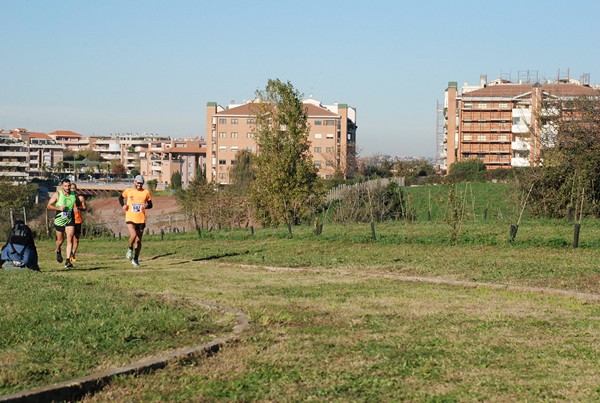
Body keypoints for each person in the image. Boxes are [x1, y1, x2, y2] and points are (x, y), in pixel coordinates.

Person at [119, 175, 152, 268]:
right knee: (133, 235)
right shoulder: (129, 191)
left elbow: (151, 204)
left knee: (138, 240)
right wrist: (123, 205)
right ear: (134, 182)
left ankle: (136, 259)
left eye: (141, 183)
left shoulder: (146, 192)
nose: (139, 185)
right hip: (130, 217)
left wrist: (147, 206)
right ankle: (129, 250)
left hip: (141, 219)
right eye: (138, 183)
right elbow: (120, 198)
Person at [47, 178, 76, 268]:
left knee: (70, 239)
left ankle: (68, 260)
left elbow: (76, 203)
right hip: (59, 220)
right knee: (60, 240)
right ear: (62, 186)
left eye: (68, 186)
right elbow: (48, 206)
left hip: (69, 219)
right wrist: (58, 208)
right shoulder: (57, 194)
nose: (67, 188)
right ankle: (58, 250)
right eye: (65, 186)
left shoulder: (73, 194)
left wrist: (76, 208)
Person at [69, 182, 87, 263]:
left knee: (76, 239)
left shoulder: (80, 198)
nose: (73, 190)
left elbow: (85, 208)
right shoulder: (67, 197)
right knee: (69, 238)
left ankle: (73, 254)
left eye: (74, 188)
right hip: (69, 220)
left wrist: (79, 208)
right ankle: (68, 255)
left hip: (77, 220)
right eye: (71, 188)